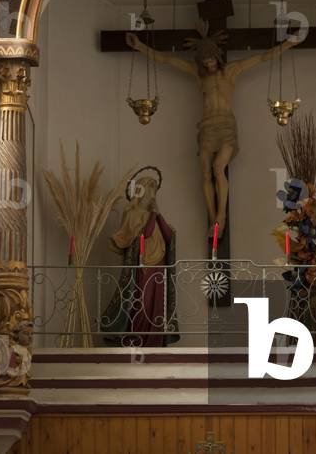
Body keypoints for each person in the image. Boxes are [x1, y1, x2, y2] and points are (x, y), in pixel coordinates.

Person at [126, 28, 295, 236]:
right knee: (205, 174)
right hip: (207, 127)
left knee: (218, 168)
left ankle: (221, 216)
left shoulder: (231, 71)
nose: (209, 64)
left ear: (217, 56)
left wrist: (288, 44)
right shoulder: (198, 76)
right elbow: (166, 60)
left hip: (226, 127)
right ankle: (213, 217)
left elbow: (262, 57)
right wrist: (140, 47)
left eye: (211, 60)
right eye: (205, 62)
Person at [101, 167, 179, 347]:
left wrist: (158, 215)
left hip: (159, 265)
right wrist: (153, 215)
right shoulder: (132, 214)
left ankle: (155, 341)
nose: (152, 196)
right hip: (142, 265)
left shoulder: (156, 215)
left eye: (154, 192)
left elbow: (168, 237)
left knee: (157, 305)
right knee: (141, 303)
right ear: (140, 193)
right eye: (149, 192)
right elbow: (146, 232)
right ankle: (136, 339)